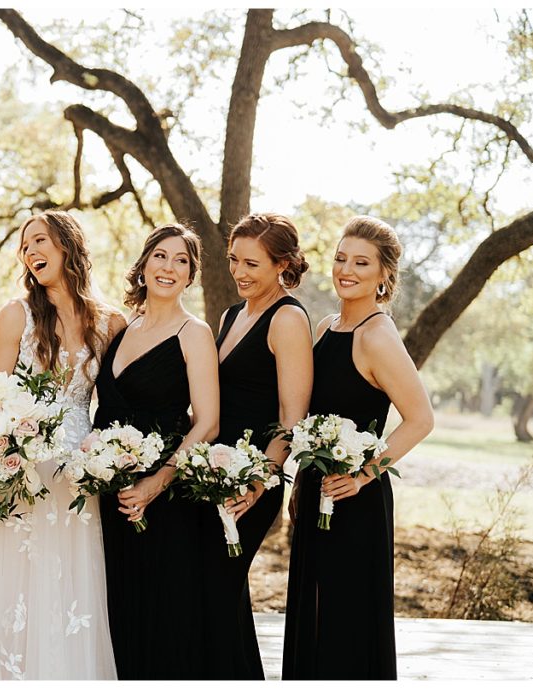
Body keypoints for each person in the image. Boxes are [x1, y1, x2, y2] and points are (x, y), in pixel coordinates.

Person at [0, 209, 123, 680]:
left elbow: (120, 400)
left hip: (78, 473)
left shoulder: (109, 322)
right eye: (25, 245)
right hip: (19, 470)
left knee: (69, 586)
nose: (31, 251)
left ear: (68, 246)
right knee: (14, 586)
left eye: (40, 240)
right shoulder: (16, 315)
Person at [282, 216, 433, 680]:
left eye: (362, 262)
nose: (346, 269)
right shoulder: (327, 325)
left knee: (346, 621)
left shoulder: (377, 336)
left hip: (356, 501)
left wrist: (364, 475)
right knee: (313, 612)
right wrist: (301, 481)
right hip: (316, 491)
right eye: (341, 258)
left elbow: (421, 419)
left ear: (385, 275)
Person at [93, 223, 220, 679]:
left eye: (181, 260)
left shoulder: (194, 332)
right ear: (144, 265)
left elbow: (207, 422)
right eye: (161, 256)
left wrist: (156, 482)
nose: (169, 267)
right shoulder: (121, 329)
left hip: (164, 498)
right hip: (109, 492)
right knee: (115, 606)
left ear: (191, 274)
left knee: (161, 614)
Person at [211, 212, 313, 678]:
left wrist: (259, 480)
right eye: (234, 260)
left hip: (253, 480)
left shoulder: (287, 319)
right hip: (211, 474)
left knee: (218, 585)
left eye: (252, 264)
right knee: (218, 596)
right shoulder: (232, 314)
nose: (239, 272)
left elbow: (291, 419)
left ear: (283, 264)